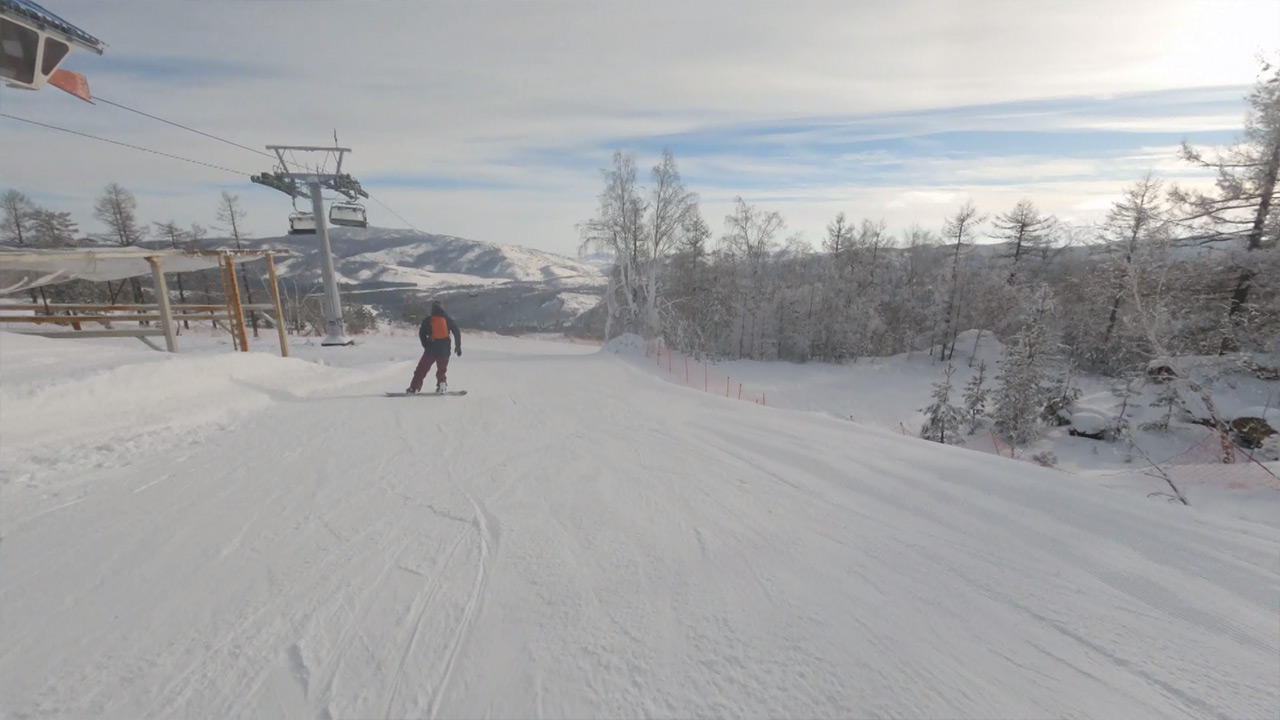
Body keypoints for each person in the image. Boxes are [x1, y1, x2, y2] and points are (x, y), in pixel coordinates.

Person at [407, 300, 462, 393]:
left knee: (421, 369)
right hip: (445, 349)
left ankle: (414, 388)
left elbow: (422, 334)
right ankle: (442, 387)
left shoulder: (428, 320)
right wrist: (458, 346)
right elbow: (456, 332)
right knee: (441, 371)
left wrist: (426, 345)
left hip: (431, 349)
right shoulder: (447, 320)